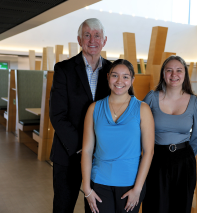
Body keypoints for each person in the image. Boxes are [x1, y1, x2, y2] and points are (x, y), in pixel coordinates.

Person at [49, 18, 112, 212]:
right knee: (63, 207)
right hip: (69, 154)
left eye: (97, 35)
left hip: (101, 159)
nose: (92, 40)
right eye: (87, 35)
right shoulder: (63, 69)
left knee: (96, 210)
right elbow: (57, 115)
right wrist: (84, 148)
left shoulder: (114, 71)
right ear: (79, 39)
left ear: (104, 40)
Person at [81, 59, 154, 213]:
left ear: (132, 80)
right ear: (108, 77)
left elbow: (148, 152)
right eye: (115, 75)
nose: (120, 81)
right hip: (98, 183)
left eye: (126, 77)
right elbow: (87, 151)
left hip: (130, 185)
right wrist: (86, 188)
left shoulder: (143, 109)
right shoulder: (94, 108)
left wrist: (138, 189)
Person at [142, 55, 197, 213]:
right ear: (163, 73)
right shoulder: (151, 98)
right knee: (155, 205)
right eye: (169, 70)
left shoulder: (194, 102)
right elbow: (138, 129)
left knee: (181, 207)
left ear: (185, 74)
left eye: (179, 70)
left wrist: (185, 156)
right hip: (155, 159)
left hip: (184, 162)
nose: (174, 74)